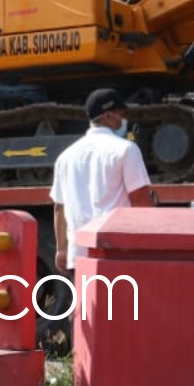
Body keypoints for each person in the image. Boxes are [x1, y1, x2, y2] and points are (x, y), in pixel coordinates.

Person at [50, 87, 154, 272]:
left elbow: (60, 207)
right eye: (121, 114)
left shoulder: (65, 157)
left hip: (79, 256)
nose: (124, 120)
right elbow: (141, 201)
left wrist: (62, 250)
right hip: (116, 254)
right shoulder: (125, 150)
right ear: (108, 116)